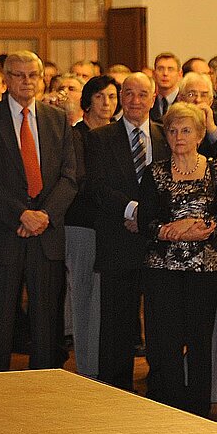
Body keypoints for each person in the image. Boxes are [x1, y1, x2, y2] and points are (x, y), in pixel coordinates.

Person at [0, 51, 77, 372]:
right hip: (3, 235)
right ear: (6, 79)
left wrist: (45, 216)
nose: (26, 81)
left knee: (46, 326)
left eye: (33, 75)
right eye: (18, 75)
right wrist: (21, 214)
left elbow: (70, 176)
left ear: (41, 80)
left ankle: (41, 389)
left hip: (46, 236)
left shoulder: (57, 119)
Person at [137, 102, 217, 415]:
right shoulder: (154, 172)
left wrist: (199, 227)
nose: (179, 137)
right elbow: (145, 220)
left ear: (199, 135)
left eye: (186, 131)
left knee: (199, 341)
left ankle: (198, 411)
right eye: (173, 131)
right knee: (166, 342)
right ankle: (171, 409)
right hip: (162, 268)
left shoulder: (216, 171)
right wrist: (170, 231)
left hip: (205, 268)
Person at [86, 72, 165, 391]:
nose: (135, 100)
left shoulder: (166, 136)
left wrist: (147, 217)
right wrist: (133, 211)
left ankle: (161, 384)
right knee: (116, 323)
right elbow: (96, 187)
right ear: (121, 97)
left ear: (153, 97)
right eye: (128, 93)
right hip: (118, 240)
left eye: (142, 94)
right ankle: (114, 389)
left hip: (159, 243)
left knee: (160, 321)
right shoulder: (100, 138)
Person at [65, 74, 120, 378]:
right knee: (84, 297)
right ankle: (87, 369)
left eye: (112, 96)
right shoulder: (77, 135)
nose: (106, 103)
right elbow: (80, 181)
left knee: (107, 300)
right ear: (87, 101)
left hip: (113, 226)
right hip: (83, 224)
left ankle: (107, 367)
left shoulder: (118, 134)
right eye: (100, 96)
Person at [150, 52, 182, 121]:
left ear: (180, 75)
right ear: (154, 74)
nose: (165, 73)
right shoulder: (149, 102)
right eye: (160, 69)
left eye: (170, 69)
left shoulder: (185, 101)